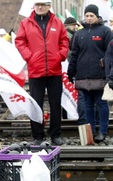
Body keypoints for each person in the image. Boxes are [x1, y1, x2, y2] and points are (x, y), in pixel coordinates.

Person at [15, 0, 69, 145]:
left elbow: (64, 41)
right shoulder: (25, 23)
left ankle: (55, 135)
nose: (39, 7)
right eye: (37, 4)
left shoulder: (57, 23)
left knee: (55, 104)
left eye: (43, 4)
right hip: (35, 71)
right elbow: (20, 41)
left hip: (54, 70)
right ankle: (38, 136)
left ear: (48, 6)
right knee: (35, 104)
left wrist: (60, 56)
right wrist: (29, 57)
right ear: (34, 6)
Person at [68, 4, 113, 143]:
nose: (88, 18)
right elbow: (74, 54)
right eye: (86, 15)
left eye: (91, 16)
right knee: (87, 105)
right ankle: (91, 132)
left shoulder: (105, 31)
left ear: (97, 16)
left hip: (100, 74)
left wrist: (109, 73)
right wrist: (71, 71)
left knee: (101, 103)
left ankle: (103, 131)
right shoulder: (79, 34)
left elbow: (110, 54)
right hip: (82, 75)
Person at [64, 17, 86, 125]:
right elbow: (71, 53)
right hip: (71, 66)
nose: (75, 27)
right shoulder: (69, 36)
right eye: (74, 25)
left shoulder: (71, 35)